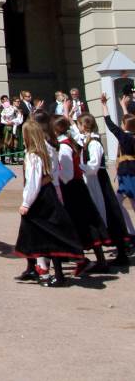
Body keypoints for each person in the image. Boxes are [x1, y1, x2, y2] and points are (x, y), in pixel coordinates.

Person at [15, 119, 82, 287]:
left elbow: (33, 182)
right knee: (50, 235)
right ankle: (49, 272)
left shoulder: (33, 155)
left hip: (39, 198)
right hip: (49, 193)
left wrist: (26, 203)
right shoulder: (48, 149)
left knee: (39, 235)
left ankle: (45, 271)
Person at [53, 114, 108, 274]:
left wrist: (54, 174)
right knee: (86, 222)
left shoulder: (64, 146)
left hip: (72, 189)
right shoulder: (69, 141)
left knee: (79, 223)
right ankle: (97, 259)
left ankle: (84, 259)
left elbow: (68, 173)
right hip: (77, 188)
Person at [78, 113, 131, 268]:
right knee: (108, 212)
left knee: (109, 212)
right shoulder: (87, 140)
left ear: (85, 126)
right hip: (95, 180)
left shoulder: (94, 143)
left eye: (80, 124)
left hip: (99, 182)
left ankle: (121, 251)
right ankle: (119, 251)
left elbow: (93, 166)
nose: (78, 127)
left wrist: (79, 166)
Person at [100, 92, 135, 241]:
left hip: (128, 172)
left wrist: (104, 105)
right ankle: (131, 231)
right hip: (129, 171)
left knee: (121, 202)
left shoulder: (125, 137)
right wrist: (123, 107)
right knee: (125, 202)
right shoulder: (130, 134)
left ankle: (131, 232)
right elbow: (129, 122)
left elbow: (110, 124)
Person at [0, 95, 23, 164]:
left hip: (15, 127)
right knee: (7, 143)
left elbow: (20, 119)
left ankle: (13, 158)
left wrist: (13, 122)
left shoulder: (19, 110)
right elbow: (3, 118)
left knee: (15, 144)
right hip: (8, 127)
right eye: (17, 101)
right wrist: (8, 122)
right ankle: (6, 158)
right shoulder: (7, 108)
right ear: (13, 102)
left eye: (19, 101)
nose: (18, 103)